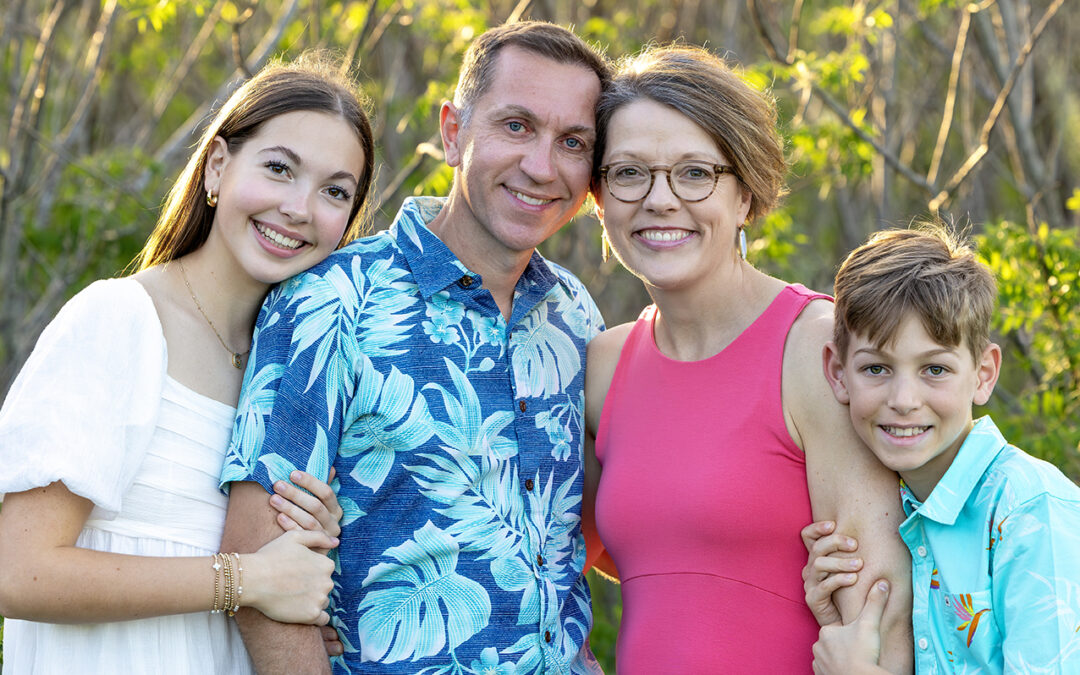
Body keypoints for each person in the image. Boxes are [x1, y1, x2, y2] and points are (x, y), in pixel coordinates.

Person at [217, 21, 611, 674]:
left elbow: (575, 542)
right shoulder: (331, 299)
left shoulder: (573, 314)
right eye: (516, 125)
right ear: (454, 132)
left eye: (572, 142)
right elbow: (258, 569)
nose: (542, 166)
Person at [0, 53, 377, 674]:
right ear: (218, 166)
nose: (299, 208)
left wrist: (316, 563)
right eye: (279, 169)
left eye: (334, 191)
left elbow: (282, 590)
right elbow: (22, 571)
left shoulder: (299, 372)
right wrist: (247, 579)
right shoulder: (118, 320)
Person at [579, 45, 914, 673]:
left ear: (746, 196)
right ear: (599, 199)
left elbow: (883, 616)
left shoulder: (817, 351)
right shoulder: (603, 366)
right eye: (628, 173)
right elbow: (615, 551)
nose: (659, 199)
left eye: (695, 173)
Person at [800, 227, 1080, 673]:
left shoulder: (1031, 512)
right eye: (876, 368)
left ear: (984, 373)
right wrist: (835, 617)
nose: (904, 399)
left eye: (934, 368)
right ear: (837, 373)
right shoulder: (891, 508)